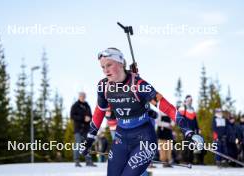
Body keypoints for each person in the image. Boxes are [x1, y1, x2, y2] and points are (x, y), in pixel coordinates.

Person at [80, 48, 204, 176]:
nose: (106, 70)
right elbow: (99, 112)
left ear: (121, 62)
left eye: (109, 65)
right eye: (103, 67)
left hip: (144, 139)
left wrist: (188, 131)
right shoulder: (103, 86)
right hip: (121, 138)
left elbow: (169, 109)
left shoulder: (139, 85)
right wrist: (89, 139)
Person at [70, 92, 96, 167]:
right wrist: (83, 118)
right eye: (81, 96)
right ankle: (77, 161)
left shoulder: (87, 105)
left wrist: (89, 118)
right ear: (79, 97)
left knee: (87, 144)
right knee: (78, 144)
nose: (82, 97)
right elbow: (72, 116)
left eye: (84, 96)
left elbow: (91, 115)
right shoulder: (75, 105)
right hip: (78, 128)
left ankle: (88, 161)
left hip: (86, 129)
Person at [178, 95, 200, 164]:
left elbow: (195, 120)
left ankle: (190, 160)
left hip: (193, 130)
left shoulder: (192, 109)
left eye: (191, 100)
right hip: (186, 130)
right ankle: (184, 160)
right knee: (186, 144)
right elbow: (180, 119)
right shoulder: (183, 108)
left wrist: (197, 129)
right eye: (189, 100)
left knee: (192, 145)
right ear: (186, 100)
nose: (191, 102)